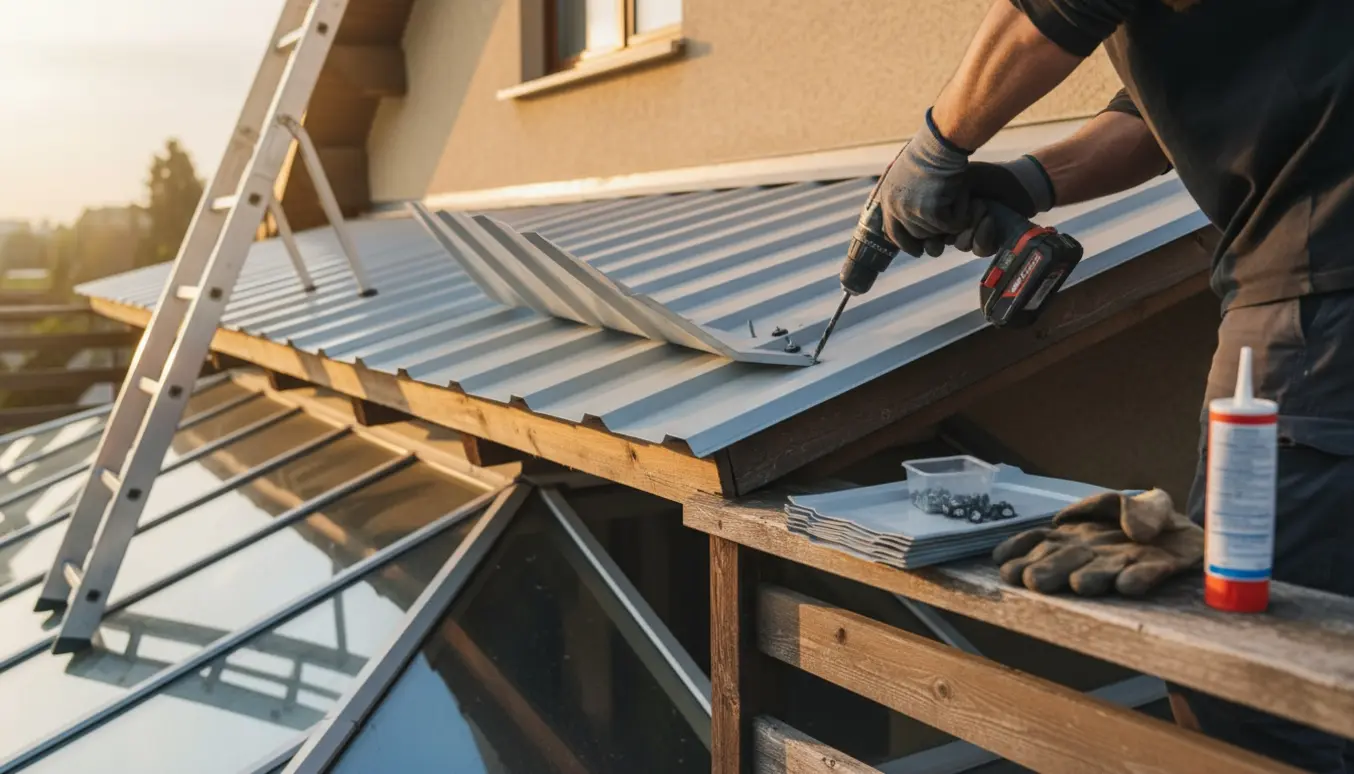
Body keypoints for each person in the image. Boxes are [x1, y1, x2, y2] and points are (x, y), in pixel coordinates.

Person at [870, 1, 1354, 771]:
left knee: (1245, 682)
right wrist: (1023, 182)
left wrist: (934, 147)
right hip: (1315, 289)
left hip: (1318, 296)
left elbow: (1052, 12)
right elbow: (1152, 123)